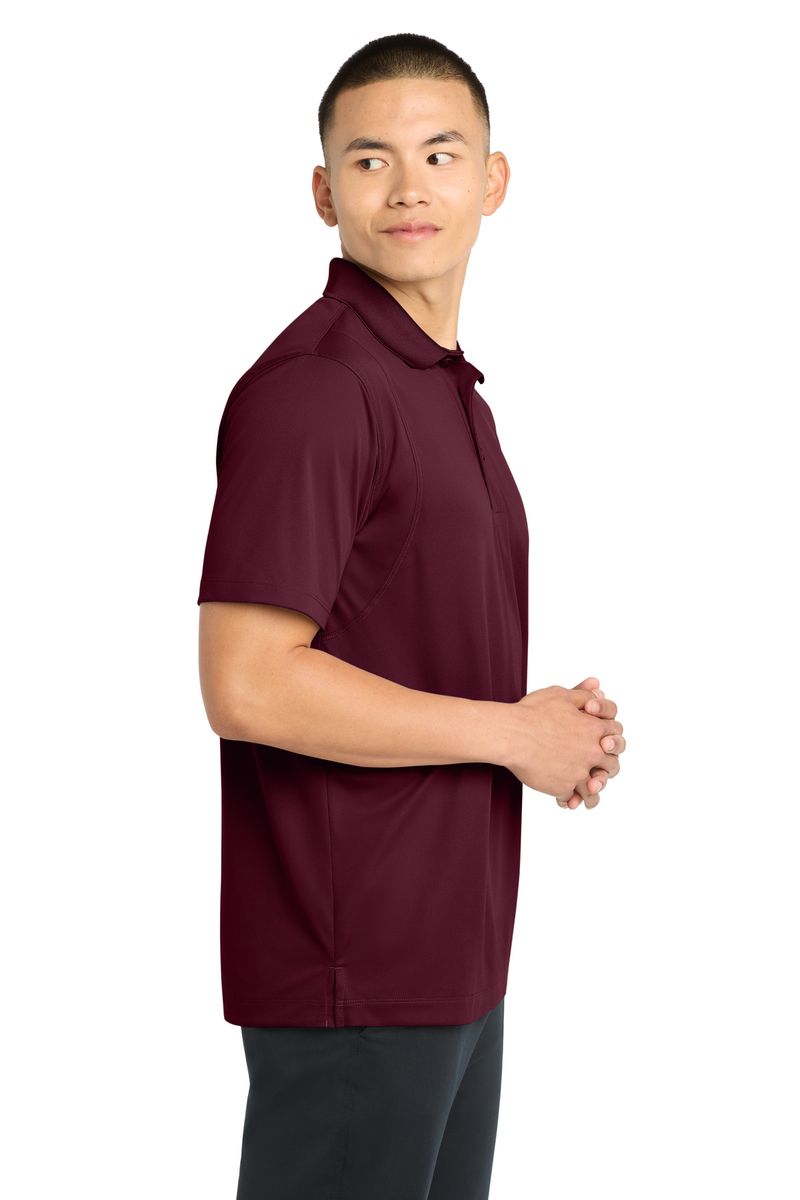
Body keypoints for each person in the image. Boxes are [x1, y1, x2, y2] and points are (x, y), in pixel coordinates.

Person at [196, 31, 625, 1200]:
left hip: (450, 952)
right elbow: (245, 682)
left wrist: (547, 725)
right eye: (368, 159)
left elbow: (405, 637)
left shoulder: (442, 390)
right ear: (323, 191)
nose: (406, 188)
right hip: (355, 964)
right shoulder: (318, 388)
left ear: (492, 180)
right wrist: (507, 735)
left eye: (438, 154)